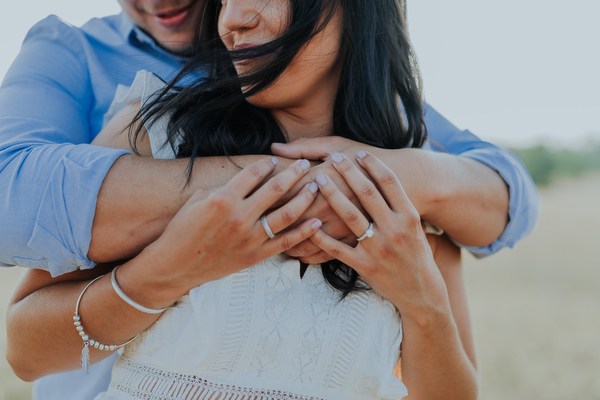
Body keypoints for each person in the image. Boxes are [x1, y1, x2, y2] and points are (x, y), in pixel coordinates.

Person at [0, 0, 538, 399]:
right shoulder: (153, 135)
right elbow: (25, 352)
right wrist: (165, 270)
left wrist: (424, 304)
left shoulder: (408, 187)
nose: (231, 19)